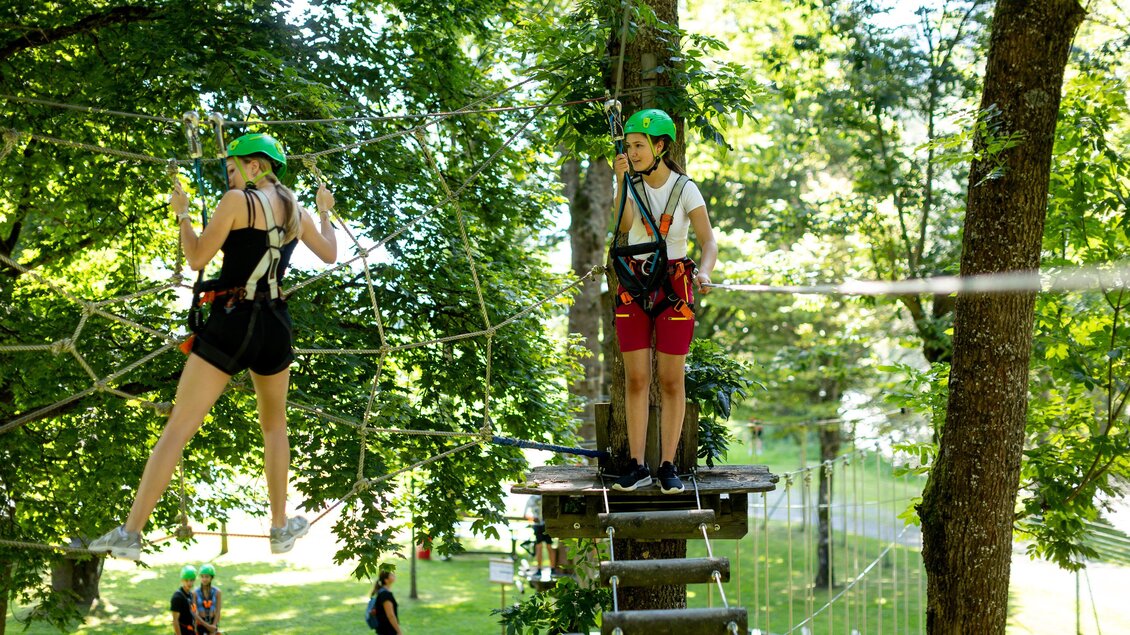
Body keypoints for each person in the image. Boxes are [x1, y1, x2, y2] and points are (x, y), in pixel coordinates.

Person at [91, 132, 339, 559]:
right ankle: (280, 527)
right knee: (274, 426)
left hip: (233, 320)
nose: (229, 178)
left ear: (255, 166)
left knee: (178, 428)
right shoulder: (296, 210)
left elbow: (196, 258)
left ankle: (130, 534)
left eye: (232, 169)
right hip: (275, 325)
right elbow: (330, 254)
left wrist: (184, 216)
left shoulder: (236, 202)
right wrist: (325, 211)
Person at [609, 109, 718, 495]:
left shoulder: (684, 188)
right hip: (635, 283)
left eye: (639, 145)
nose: (632, 152)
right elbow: (624, 226)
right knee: (637, 379)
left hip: (674, 285)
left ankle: (668, 465)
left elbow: (708, 241)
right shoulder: (630, 182)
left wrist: (705, 272)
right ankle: (637, 465)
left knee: (671, 380)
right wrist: (621, 180)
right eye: (628, 146)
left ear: (660, 146)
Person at [523, 495, 555, 574]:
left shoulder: (546, 496)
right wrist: (533, 518)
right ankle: (539, 569)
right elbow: (525, 515)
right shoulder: (532, 498)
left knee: (549, 546)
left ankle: (553, 569)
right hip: (537, 526)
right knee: (539, 547)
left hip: (547, 524)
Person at [369, 570, 403, 635]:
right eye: (391, 575)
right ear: (386, 580)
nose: (394, 575)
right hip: (387, 630)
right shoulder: (385, 594)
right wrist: (399, 631)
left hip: (384, 629)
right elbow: (390, 615)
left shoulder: (382, 592)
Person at [194, 563, 222, 634]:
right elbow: (194, 613)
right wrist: (207, 626)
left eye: (207, 577)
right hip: (200, 624)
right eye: (202, 576)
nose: (204, 579)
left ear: (212, 577)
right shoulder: (195, 593)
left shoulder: (217, 592)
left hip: (212, 622)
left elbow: (218, 611)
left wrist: (214, 625)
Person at [171, 565, 199, 635]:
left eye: (191, 580)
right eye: (186, 580)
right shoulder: (177, 597)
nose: (189, 583)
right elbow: (175, 621)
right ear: (182, 580)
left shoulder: (191, 594)